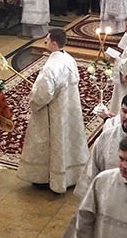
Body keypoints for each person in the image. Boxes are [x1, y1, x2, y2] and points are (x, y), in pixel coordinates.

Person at [18, 29, 88, 194]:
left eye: (47, 40)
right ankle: (70, 175)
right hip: (69, 108)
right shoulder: (69, 59)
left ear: (54, 43)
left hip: (54, 111)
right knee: (68, 140)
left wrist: (33, 99)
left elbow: (44, 93)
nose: (45, 43)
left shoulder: (51, 66)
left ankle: (45, 177)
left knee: (49, 141)